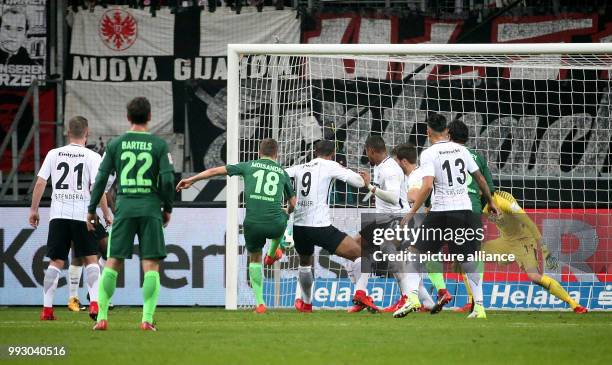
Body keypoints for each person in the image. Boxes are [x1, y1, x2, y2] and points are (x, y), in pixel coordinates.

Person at [394, 114, 498, 319]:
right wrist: (491, 201)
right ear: (447, 131)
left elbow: (427, 186)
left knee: (415, 254)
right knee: (468, 259)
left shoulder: (428, 153)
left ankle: (413, 297)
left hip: (441, 211)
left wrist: (412, 211)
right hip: (465, 210)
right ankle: (479, 307)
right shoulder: (463, 150)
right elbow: (480, 179)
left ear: (428, 131)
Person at [176, 138, 296, 314]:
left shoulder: (248, 166)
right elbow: (293, 202)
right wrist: (288, 210)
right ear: (276, 154)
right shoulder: (282, 172)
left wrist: (192, 180)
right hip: (275, 225)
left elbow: (216, 170)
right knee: (284, 216)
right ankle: (272, 254)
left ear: (258, 153)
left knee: (254, 260)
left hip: (252, 224)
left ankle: (260, 304)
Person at [87, 97, 175, 331]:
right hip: (149, 207)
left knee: (113, 262)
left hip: (124, 208)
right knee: (151, 265)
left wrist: (90, 209)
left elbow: (101, 180)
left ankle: (102, 317)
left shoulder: (115, 144)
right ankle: (146, 319)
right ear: (149, 117)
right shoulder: (159, 145)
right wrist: (168, 208)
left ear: (128, 117)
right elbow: (167, 180)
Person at [29, 116, 110, 321]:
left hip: (58, 215)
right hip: (84, 214)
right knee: (91, 258)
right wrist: (106, 213)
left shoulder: (53, 154)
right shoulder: (92, 157)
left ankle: (47, 310)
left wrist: (34, 210)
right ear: (87, 132)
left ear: (67, 132)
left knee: (56, 261)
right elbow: (98, 188)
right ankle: (94, 303)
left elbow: (40, 183)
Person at [284, 140, 368, 313]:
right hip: (320, 226)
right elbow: (358, 183)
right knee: (361, 255)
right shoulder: (331, 165)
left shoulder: (300, 167)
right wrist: (365, 179)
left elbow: (282, 174)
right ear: (333, 154)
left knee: (305, 264)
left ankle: (306, 303)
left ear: (315, 151)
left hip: (299, 227)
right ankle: (361, 294)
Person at [483, 191, 588, 314]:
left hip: (523, 241)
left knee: (534, 277)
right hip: (505, 242)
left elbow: (531, 225)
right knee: (470, 255)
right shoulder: (477, 204)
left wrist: (545, 251)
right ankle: (471, 302)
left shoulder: (503, 200)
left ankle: (573, 303)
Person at [354, 135, 413, 313]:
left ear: (371, 150)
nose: (367, 157)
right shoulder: (382, 166)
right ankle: (360, 293)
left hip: (396, 219)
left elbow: (394, 198)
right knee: (359, 246)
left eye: (367, 153)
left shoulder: (390, 169)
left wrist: (370, 187)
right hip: (383, 219)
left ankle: (408, 297)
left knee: (389, 253)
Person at [447, 119, 495, 313]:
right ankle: (476, 301)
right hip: (473, 210)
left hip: (450, 209)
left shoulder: (443, 154)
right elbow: (488, 187)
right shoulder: (477, 157)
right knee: (471, 254)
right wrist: (485, 205)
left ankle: (474, 301)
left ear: (449, 135)